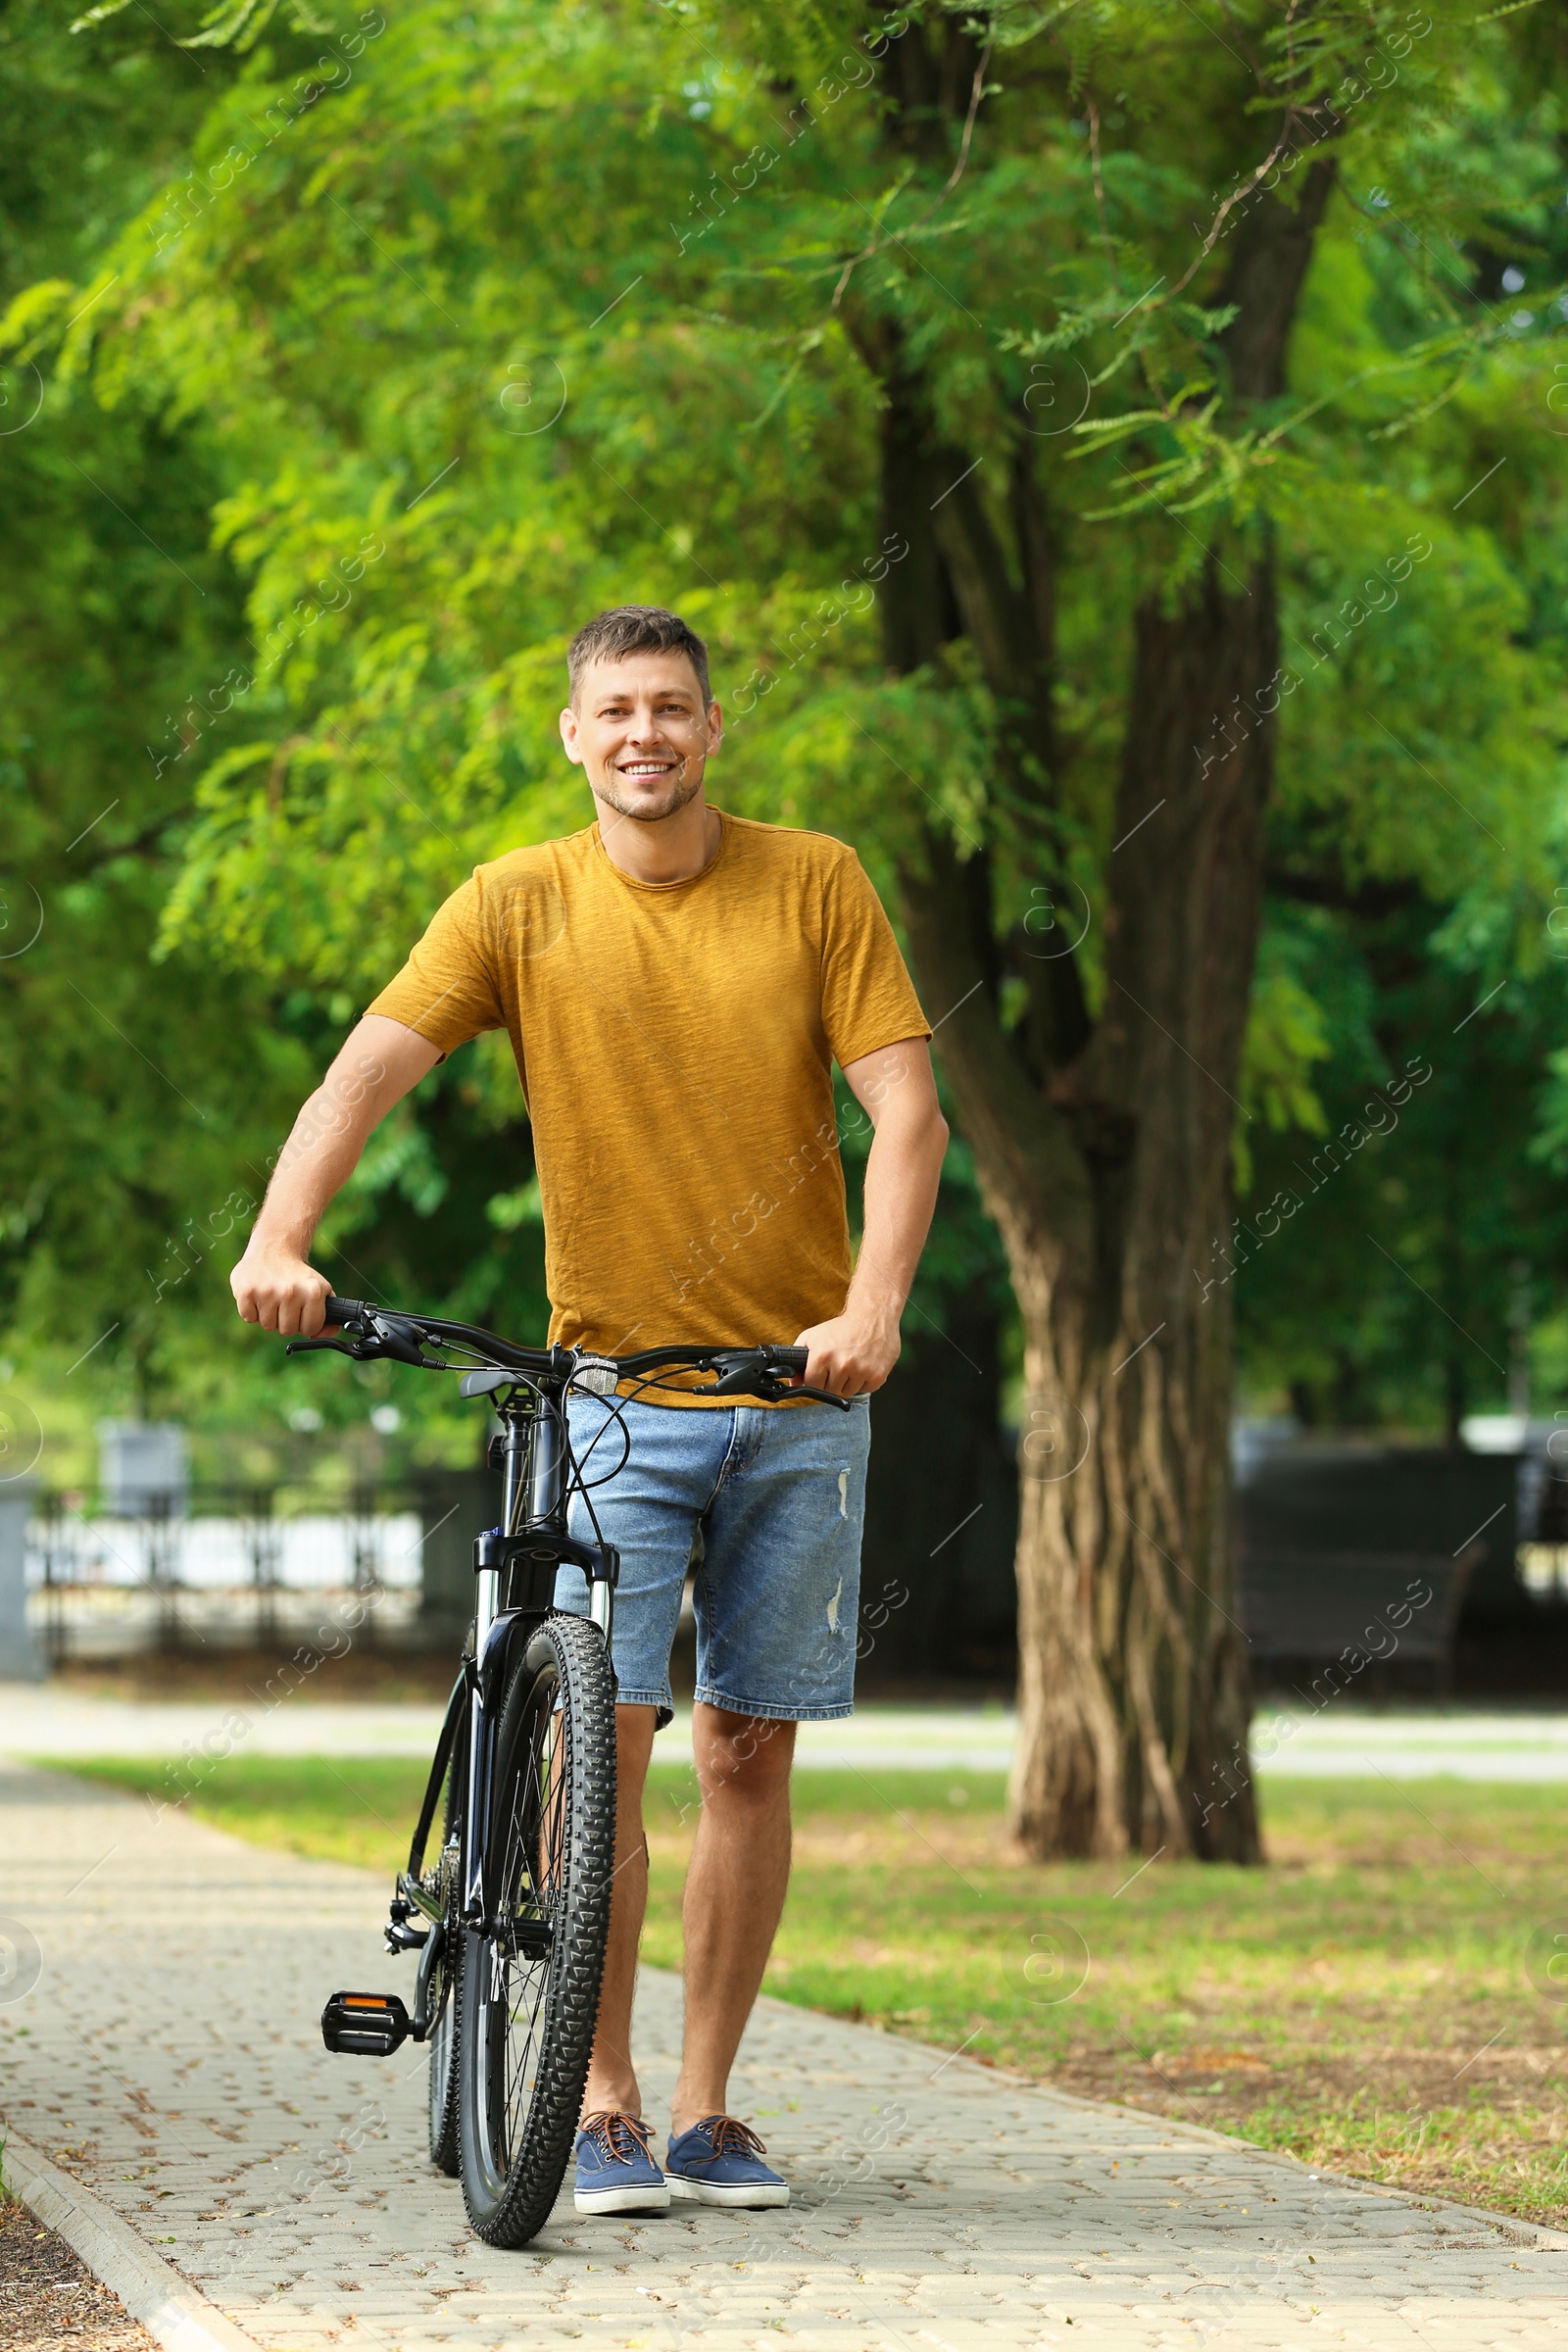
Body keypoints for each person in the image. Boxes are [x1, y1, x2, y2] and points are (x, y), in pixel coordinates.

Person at [229, 604, 948, 2216]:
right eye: (616, 709)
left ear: (711, 728)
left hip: (799, 1392)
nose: (647, 732)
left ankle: (706, 2108)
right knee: (601, 1750)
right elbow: (362, 1075)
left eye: (674, 707)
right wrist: (281, 1238)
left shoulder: (816, 879)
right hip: (612, 1392)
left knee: (750, 1751)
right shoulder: (516, 902)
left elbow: (909, 1110)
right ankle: (596, 2098)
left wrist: (875, 1306)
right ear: (575, 737)